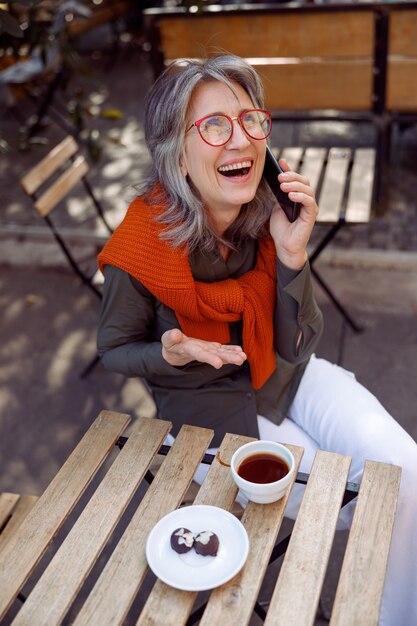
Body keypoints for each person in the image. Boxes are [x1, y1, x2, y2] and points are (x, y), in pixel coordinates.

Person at [97, 54, 417, 626]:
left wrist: (293, 255)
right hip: (212, 408)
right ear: (175, 150)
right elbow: (114, 349)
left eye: (250, 120)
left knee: (406, 469)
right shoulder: (138, 246)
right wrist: (165, 353)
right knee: (341, 494)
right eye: (214, 125)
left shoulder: (267, 213)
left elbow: (299, 342)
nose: (239, 140)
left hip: (284, 372)